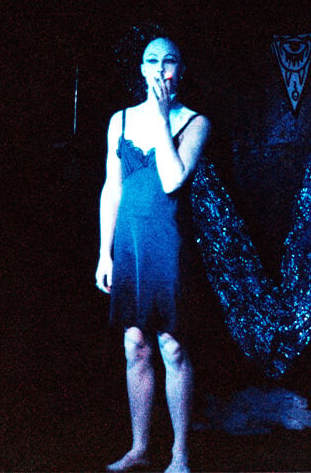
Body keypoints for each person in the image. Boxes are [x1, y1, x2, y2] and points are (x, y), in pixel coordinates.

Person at [96, 36, 211, 473]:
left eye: (169, 61)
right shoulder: (120, 120)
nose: (160, 69)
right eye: (151, 61)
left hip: (168, 242)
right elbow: (112, 188)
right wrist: (104, 254)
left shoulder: (196, 122)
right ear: (141, 69)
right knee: (135, 345)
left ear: (180, 69)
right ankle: (140, 447)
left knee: (172, 346)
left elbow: (172, 180)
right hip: (128, 242)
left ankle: (179, 454)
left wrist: (163, 120)